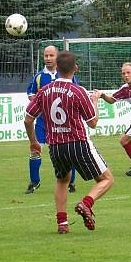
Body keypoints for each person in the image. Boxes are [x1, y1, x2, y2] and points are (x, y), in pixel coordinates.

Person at [25, 51, 114, 234]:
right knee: (106, 179)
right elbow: (93, 123)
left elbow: (28, 119)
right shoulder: (78, 91)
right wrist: (95, 101)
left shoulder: (44, 91)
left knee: (62, 180)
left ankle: (62, 223)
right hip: (77, 142)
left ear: (56, 68)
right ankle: (86, 203)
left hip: (55, 145)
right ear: (76, 68)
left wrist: (34, 141)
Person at [24, 45, 77, 194]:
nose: (48, 58)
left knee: (69, 152)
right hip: (43, 122)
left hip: (64, 122)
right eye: (46, 56)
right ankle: (34, 182)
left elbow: (76, 92)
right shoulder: (39, 77)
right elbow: (31, 94)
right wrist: (39, 102)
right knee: (35, 150)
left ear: (57, 56)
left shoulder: (68, 74)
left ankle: (71, 182)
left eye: (51, 55)